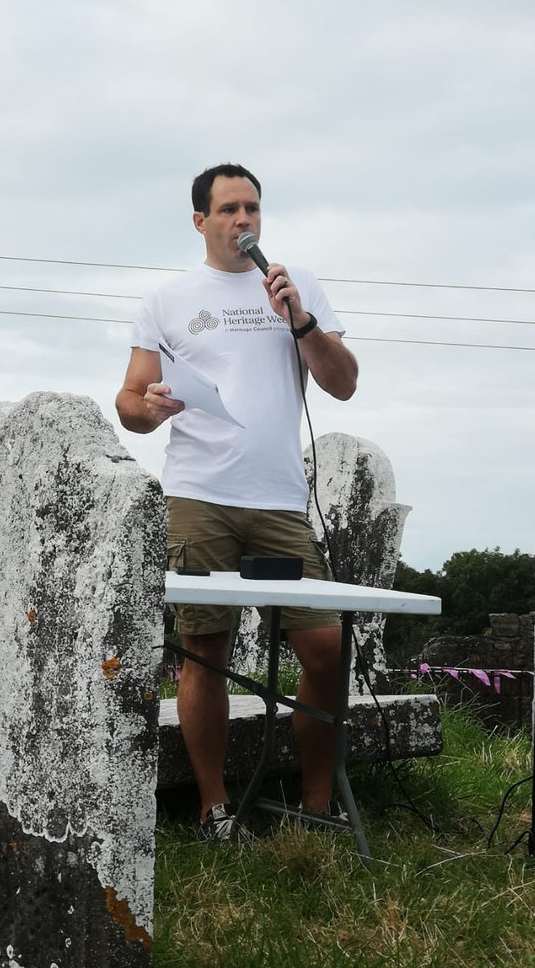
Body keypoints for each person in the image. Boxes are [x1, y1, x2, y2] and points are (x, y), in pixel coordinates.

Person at [115, 163, 358, 839]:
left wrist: (301, 322)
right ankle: (215, 809)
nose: (243, 220)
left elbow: (343, 384)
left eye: (251, 207)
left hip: (280, 500)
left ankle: (317, 808)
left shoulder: (294, 285)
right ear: (201, 221)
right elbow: (130, 401)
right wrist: (150, 408)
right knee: (205, 651)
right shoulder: (166, 299)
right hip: (199, 495)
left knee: (325, 649)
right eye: (228, 210)